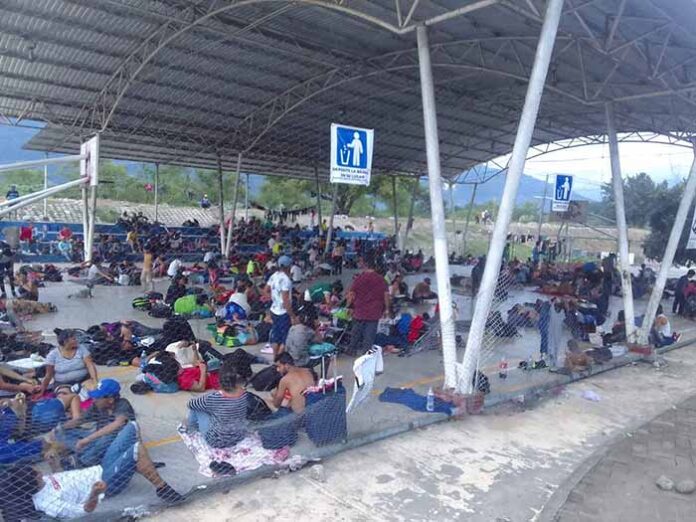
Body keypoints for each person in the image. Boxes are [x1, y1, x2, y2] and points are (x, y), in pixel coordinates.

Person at [0, 429, 183, 520]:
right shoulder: (49, 504)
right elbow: (84, 511)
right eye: (36, 472)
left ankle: (139, 465)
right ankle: (163, 488)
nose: (39, 471)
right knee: (136, 449)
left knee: (129, 429)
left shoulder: (41, 482)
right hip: (106, 483)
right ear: (33, 480)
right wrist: (95, 493)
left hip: (99, 468)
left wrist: (55, 465)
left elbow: (62, 480)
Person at [56, 379, 136, 467]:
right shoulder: (97, 406)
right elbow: (80, 420)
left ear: (110, 400)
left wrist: (87, 439)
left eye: (98, 398)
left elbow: (117, 424)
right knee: (62, 431)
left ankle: (82, 461)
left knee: (107, 438)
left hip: (116, 442)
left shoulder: (123, 404)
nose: (94, 400)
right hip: (97, 437)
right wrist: (61, 427)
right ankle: (85, 452)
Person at [183, 359, 248, 448]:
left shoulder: (213, 397)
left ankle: (191, 428)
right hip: (238, 436)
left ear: (219, 380)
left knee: (197, 408)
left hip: (216, 440)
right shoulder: (245, 394)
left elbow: (191, 404)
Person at [346, 254, 390, 356]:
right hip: (374, 312)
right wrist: (387, 309)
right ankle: (366, 354)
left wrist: (348, 307)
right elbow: (386, 295)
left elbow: (351, 294)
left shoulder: (359, 278)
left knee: (355, 333)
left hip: (359, 311)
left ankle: (351, 350)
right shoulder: (381, 279)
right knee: (369, 336)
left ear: (365, 266)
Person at [264, 255, 296, 356]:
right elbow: (286, 300)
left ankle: (275, 357)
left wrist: (274, 298)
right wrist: (292, 315)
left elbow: (265, 290)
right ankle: (279, 358)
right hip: (283, 312)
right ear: (288, 266)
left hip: (274, 310)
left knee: (276, 336)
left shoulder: (274, 275)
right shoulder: (286, 280)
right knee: (284, 338)